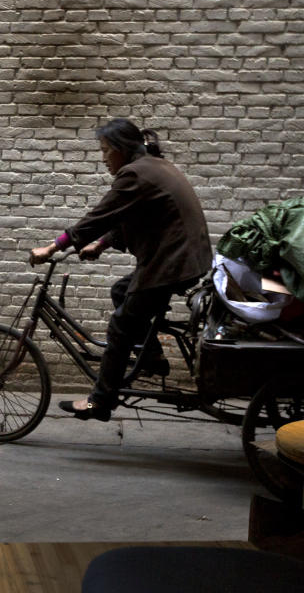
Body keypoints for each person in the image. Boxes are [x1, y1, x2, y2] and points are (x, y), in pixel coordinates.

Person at [29, 118, 212, 422]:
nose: (103, 159)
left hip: (172, 264)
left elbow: (99, 216)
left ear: (120, 149)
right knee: (120, 291)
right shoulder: (152, 166)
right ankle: (151, 356)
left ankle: (100, 401)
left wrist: (53, 247)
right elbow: (134, 215)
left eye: (104, 151)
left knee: (121, 325)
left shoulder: (135, 174)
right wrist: (101, 245)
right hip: (183, 259)